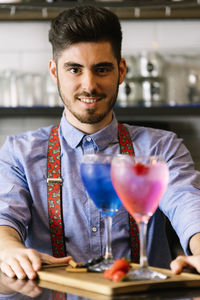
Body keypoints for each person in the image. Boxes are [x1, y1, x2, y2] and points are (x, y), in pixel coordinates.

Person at [0, 5, 200, 281]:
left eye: (102, 69)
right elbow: (5, 216)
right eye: (74, 69)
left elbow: (187, 203)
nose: (89, 84)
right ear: (54, 71)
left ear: (121, 71)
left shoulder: (161, 147)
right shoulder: (18, 152)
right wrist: (9, 249)